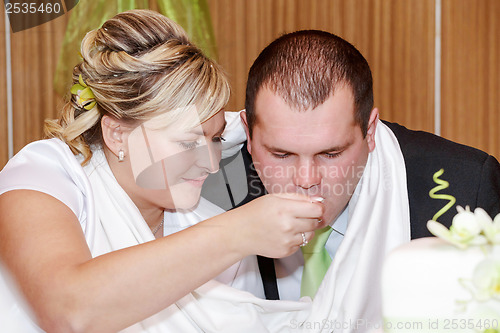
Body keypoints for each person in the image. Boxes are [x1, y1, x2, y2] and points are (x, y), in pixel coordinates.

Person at [0, 11, 326, 332]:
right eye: (188, 143)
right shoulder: (45, 176)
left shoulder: (206, 223)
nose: (212, 164)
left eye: (216, 139)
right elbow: (67, 312)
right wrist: (238, 232)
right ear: (117, 135)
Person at [205, 29, 500, 327]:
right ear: (249, 133)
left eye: (331, 153)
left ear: (369, 132)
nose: (306, 180)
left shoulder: (467, 187)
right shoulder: (204, 190)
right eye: (281, 155)